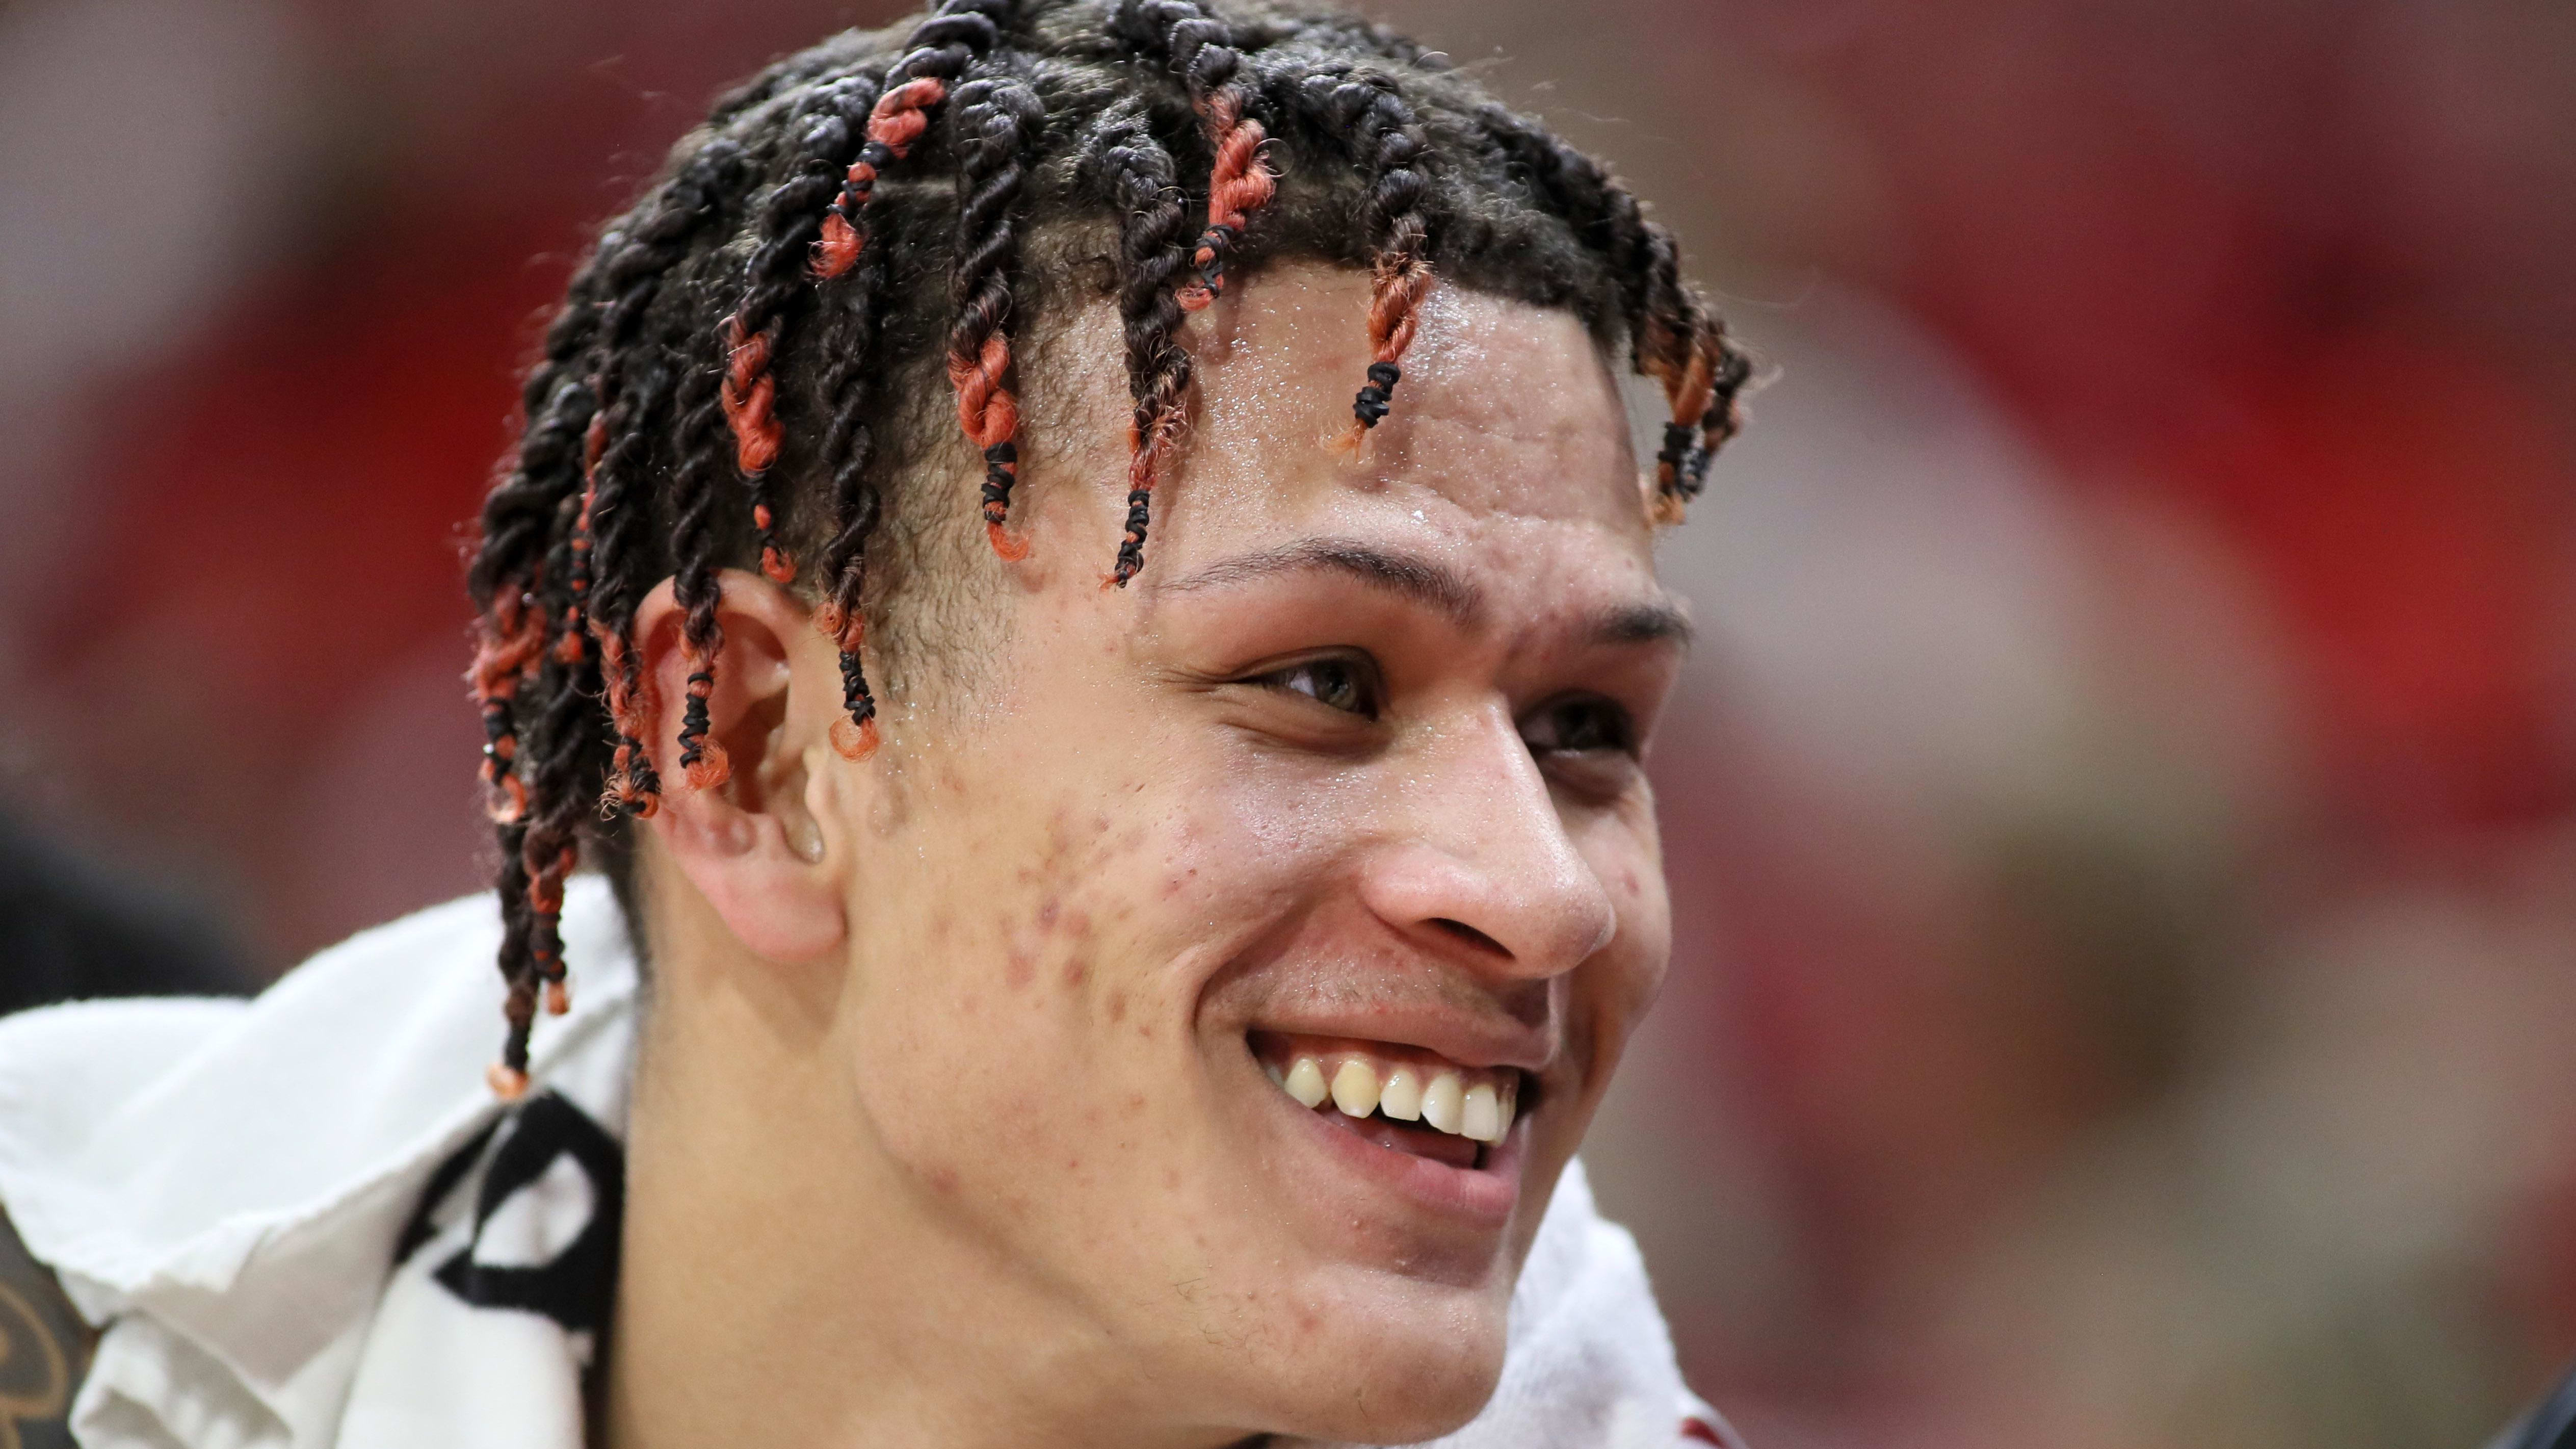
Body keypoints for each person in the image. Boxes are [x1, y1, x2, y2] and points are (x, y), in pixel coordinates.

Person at [0, 1, 1756, 1444]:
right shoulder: (61, 1332)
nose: (1548, 896)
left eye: (1588, 723)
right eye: (1323, 684)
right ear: (750, 757)